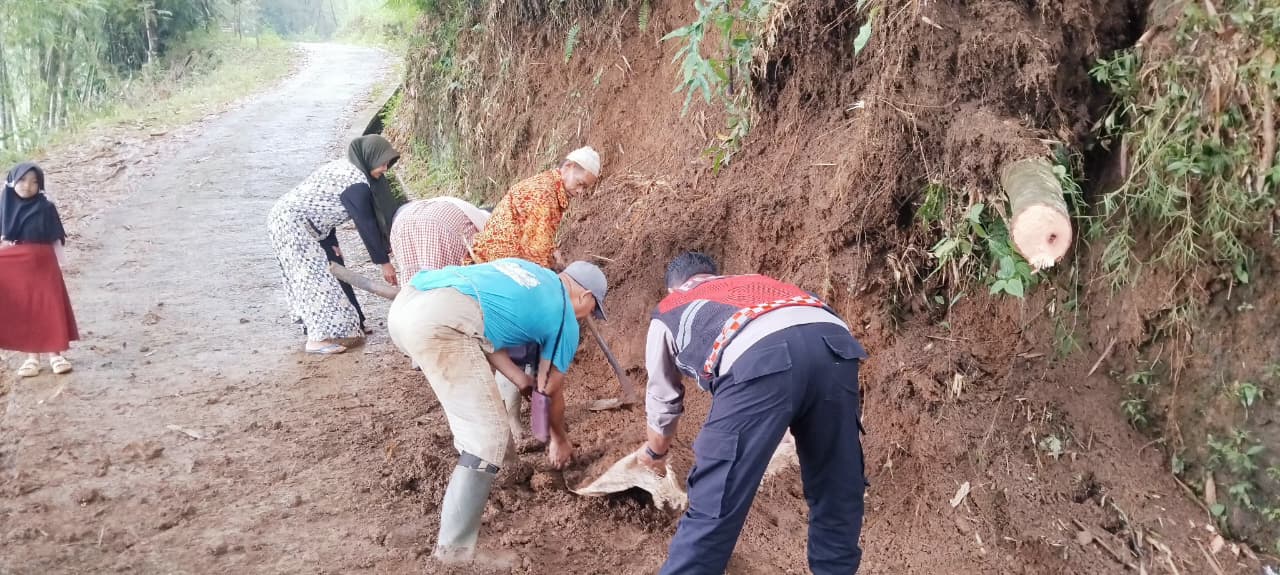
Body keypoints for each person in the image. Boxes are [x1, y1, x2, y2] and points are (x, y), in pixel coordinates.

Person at [634, 252, 868, 574]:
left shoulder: (669, 309)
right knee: (837, 483)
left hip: (758, 359)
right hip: (835, 345)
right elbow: (800, 345)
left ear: (675, 288)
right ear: (715, 275)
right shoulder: (758, 282)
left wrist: (654, 452)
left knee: (715, 501)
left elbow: (663, 397)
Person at [387, 258, 608, 563]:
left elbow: (484, 329)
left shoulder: (528, 272)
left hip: (407, 305)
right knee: (485, 436)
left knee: (483, 412)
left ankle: (504, 472)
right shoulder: (564, 317)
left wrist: (519, 378)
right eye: (593, 310)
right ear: (585, 297)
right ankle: (453, 553)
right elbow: (550, 388)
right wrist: (560, 439)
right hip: (439, 323)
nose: (588, 316)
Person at [267, 135, 404, 355]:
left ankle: (352, 324)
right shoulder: (355, 182)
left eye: (388, 163)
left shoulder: (354, 170)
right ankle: (317, 339)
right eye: (382, 162)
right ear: (370, 157)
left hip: (313, 227)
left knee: (334, 269)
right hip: (291, 224)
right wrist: (384, 263)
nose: (385, 169)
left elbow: (322, 207)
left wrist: (330, 242)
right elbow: (366, 224)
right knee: (314, 280)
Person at [0, 163, 78, 377]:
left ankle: (56, 355)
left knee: (49, 306)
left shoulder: (46, 206)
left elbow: (55, 237)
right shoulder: (5, 204)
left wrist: (59, 262)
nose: (28, 186)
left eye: (34, 182)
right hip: (17, 264)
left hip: (44, 263)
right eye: (23, 180)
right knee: (25, 309)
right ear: (12, 181)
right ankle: (31, 358)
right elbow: (4, 237)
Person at [464, 146, 600, 268]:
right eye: (580, 183)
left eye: (585, 187)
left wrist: (552, 253)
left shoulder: (547, 186)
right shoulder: (545, 195)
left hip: (493, 261)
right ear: (568, 166)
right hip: (496, 267)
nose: (580, 191)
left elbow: (534, 235)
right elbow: (535, 255)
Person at [389, 196, 492, 287]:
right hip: (440, 223)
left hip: (403, 220)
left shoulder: (470, 213)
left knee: (415, 286)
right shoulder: (489, 227)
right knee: (447, 283)